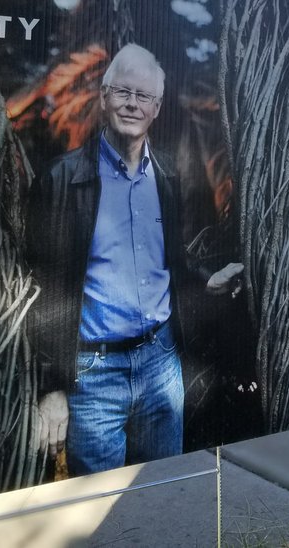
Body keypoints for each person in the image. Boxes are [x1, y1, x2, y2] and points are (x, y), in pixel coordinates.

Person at [26, 43, 245, 474]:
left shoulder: (166, 174)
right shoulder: (60, 179)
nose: (132, 103)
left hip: (160, 364)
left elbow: (170, 263)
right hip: (92, 374)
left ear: (157, 108)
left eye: (143, 96)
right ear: (104, 97)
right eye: (123, 91)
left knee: (163, 487)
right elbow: (45, 287)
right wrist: (52, 387)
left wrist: (208, 280)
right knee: (97, 502)